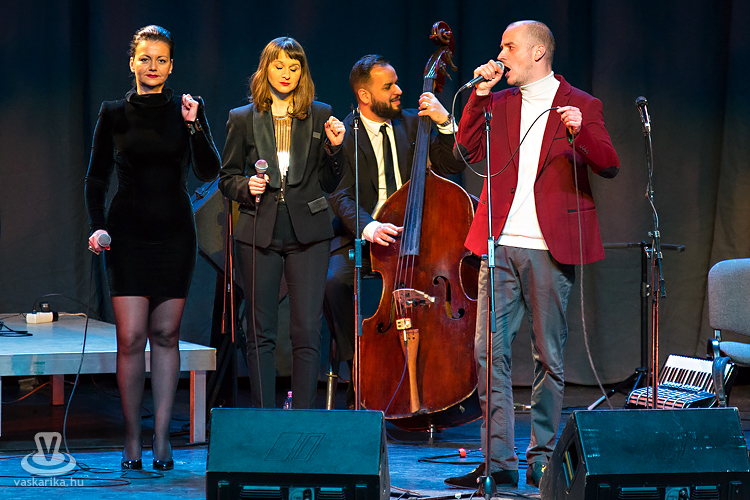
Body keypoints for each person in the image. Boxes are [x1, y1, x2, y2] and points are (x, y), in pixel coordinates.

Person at [444, 21, 619, 489]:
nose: (500, 55)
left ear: (538, 51)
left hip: (549, 247)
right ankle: (498, 462)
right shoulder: (498, 101)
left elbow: (609, 163)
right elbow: (465, 148)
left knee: (548, 357)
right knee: (489, 354)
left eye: (509, 47)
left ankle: (541, 459)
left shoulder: (582, 104)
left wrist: (580, 133)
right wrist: (479, 94)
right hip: (498, 243)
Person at [85, 25, 221, 470]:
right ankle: (132, 439)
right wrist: (98, 227)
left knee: (165, 335)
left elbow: (209, 171)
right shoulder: (113, 113)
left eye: (161, 59)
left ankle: (162, 439)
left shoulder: (187, 111)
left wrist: (195, 125)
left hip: (174, 236)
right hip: (127, 236)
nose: (153, 66)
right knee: (130, 338)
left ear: (171, 66)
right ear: (132, 62)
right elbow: (96, 179)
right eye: (145, 58)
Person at [324, 54, 465, 408]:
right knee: (334, 282)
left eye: (397, 82)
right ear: (364, 95)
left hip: (415, 237)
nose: (399, 90)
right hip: (367, 236)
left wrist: (445, 123)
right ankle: (360, 362)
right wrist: (369, 227)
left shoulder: (415, 123)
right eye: (388, 86)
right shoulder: (345, 133)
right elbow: (339, 195)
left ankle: (439, 376)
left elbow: (452, 164)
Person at [219, 37, 346, 410]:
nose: (286, 74)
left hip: (309, 234)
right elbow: (226, 178)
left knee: (306, 330)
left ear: (302, 72)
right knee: (260, 331)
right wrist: (246, 186)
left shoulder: (320, 115)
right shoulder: (242, 118)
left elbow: (331, 182)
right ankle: (264, 416)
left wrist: (336, 148)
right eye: (279, 66)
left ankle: (302, 417)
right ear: (266, 69)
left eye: (294, 67)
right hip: (259, 232)